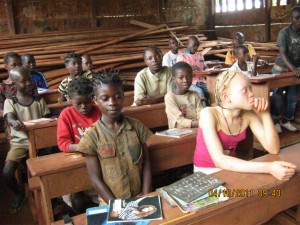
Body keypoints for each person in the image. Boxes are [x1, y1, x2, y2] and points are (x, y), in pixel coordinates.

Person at [193, 71, 296, 181]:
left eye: (250, 89)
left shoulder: (248, 115)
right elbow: (219, 160)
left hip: (232, 167)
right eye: (245, 91)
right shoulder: (208, 114)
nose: (252, 94)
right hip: (206, 172)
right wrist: (268, 167)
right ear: (226, 97)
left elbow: (273, 148)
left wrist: (264, 113)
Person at [77, 71, 152, 204]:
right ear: (95, 100)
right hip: (111, 203)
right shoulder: (91, 137)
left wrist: (145, 197)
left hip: (140, 197)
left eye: (117, 97)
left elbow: (146, 164)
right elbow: (96, 179)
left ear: (123, 97)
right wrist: (118, 207)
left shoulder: (137, 127)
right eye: (105, 99)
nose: (112, 103)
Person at [3, 67, 50, 213]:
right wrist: (13, 122)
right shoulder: (10, 101)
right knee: (7, 173)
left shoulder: (38, 100)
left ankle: (50, 195)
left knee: (49, 167)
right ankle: (20, 194)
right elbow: (9, 117)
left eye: (29, 79)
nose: (28, 83)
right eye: (23, 82)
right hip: (21, 143)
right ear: (14, 84)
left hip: (40, 142)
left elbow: (47, 119)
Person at [270, 6, 300, 133]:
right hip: (280, 69)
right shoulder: (284, 33)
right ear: (291, 19)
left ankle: (286, 120)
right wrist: (293, 69)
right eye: (296, 18)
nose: (299, 20)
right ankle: (276, 121)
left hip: (295, 70)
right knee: (277, 96)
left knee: (292, 97)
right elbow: (283, 54)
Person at [176, 36, 218, 106]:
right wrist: (189, 68)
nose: (196, 47)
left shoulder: (200, 55)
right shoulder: (182, 56)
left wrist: (213, 68)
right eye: (194, 45)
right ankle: (205, 113)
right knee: (200, 92)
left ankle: (213, 109)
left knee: (212, 91)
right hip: (189, 83)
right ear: (187, 44)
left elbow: (205, 67)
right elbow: (179, 73)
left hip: (202, 81)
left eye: (197, 45)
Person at [165, 62, 203, 128]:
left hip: (196, 130)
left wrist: (204, 121)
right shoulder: (170, 97)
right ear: (174, 79)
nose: (185, 80)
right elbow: (180, 120)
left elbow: (200, 114)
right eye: (181, 77)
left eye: (189, 77)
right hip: (178, 133)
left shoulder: (194, 94)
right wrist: (202, 123)